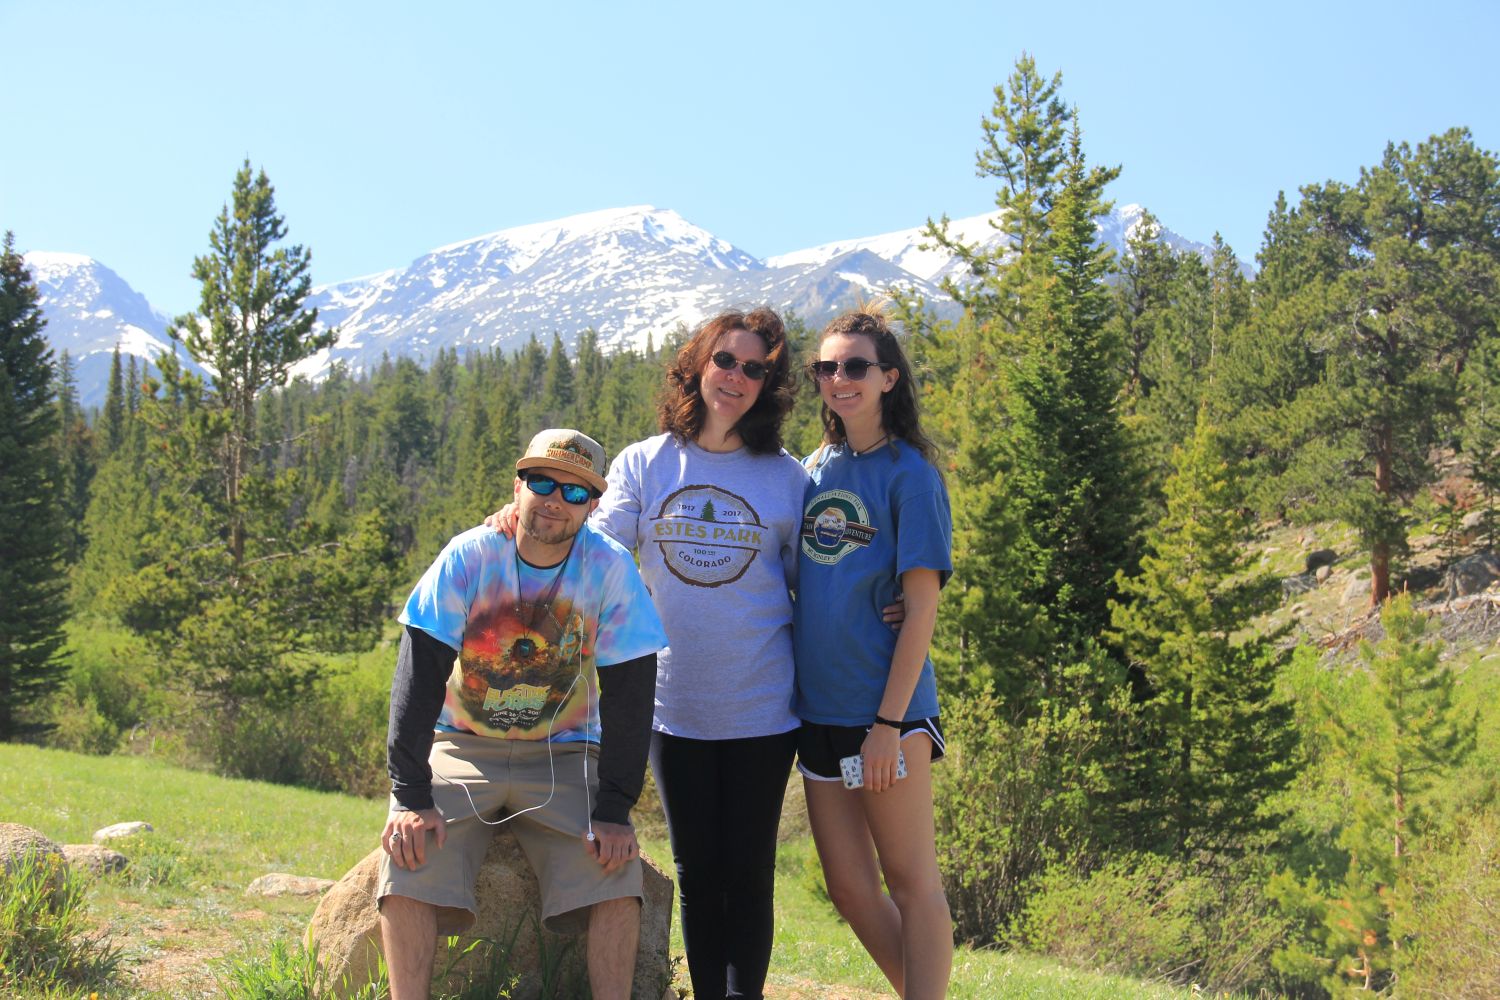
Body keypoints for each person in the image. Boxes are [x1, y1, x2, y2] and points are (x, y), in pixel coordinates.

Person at [379, 428, 669, 1000]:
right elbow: (417, 676)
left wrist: (614, 807)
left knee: (616, 875)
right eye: (542, 482)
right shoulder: (469, 556)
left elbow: (632, 694)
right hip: (462, 744)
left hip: (564, 753)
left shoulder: (609, 570)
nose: (556, 500)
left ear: (593, 504)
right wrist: (410, 794)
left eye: (576, 492)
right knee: (408, 859)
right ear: (519, 486)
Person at [793, 304, 954, 999]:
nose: (839, 379)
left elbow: (920, 609)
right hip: (817, 717)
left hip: (883, 718)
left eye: (855, 366)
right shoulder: (815, 467)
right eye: (825, 367)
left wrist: (887, 727)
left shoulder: (910, 475)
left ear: (889, 377)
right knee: (851, 890)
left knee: (912, 882)